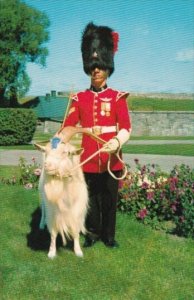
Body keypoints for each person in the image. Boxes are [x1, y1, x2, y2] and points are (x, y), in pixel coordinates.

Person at [58, 22, 132, 248]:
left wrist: (117, 141)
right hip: (88, 159)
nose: (96, 70)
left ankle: (109, 236)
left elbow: (126, 127)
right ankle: (92, 234)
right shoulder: (79, 99)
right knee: (89, 199)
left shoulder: (118, 97)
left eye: (100, 66)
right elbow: (68, 127)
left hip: (111, 158)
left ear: (107, 68)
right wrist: (54, 143)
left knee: (110, 199)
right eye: (93, 66)